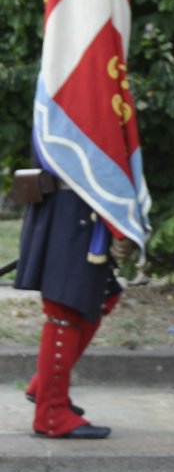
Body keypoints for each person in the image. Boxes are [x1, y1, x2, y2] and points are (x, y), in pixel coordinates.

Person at [12, 172, 131, 438]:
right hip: (70, 208)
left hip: (77, 206)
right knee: (65, 309)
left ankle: (45, 387)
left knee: (102, 295)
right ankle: (51, 414)